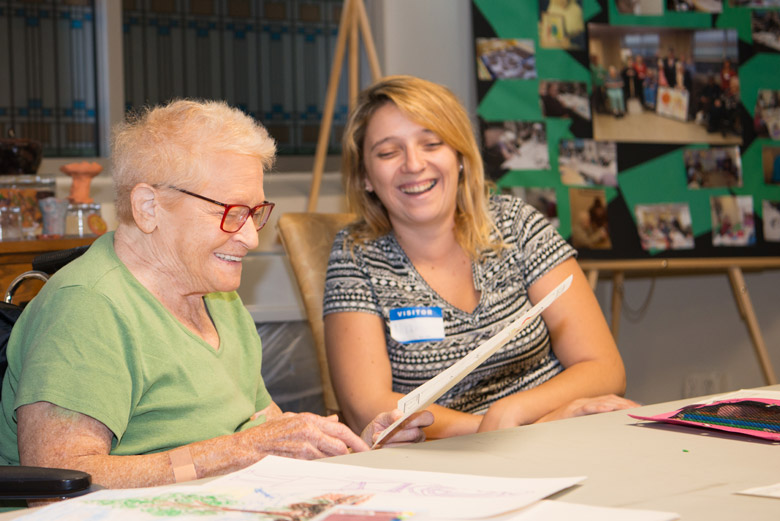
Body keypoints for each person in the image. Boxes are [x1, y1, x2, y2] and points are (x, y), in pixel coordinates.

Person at [0, 100, 431, 491]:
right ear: (148, 207)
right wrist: (237, 452)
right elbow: (57, 482)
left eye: (255, 213)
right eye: (229, 212)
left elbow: (265, 430)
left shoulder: (216, 298)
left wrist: (352, 446)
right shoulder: (88, 306)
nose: (250, 238)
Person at [322, 76, 637, 440]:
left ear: (459, 157)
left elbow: (604, 367)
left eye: (432, 143)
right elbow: (369, 404)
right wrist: (502, 430)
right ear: (365, 177)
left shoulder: (516, 224)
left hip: (564, 437)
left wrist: (514, 411)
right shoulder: (355, 257)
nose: (413, 163)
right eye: (388, 152)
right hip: (448, 465)